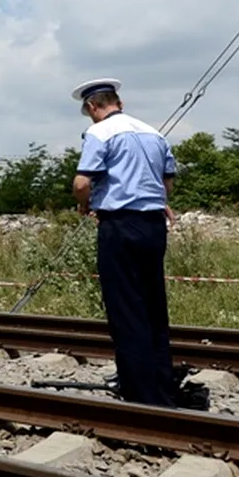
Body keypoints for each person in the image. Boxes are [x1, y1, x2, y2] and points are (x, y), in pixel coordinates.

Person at [70, 78, 178, 407]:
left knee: (125, 308)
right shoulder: (154, 133)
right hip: (153, 225)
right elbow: (168, 181)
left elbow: (81, 182)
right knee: (153, 307)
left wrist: (85, 204)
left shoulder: (99, 133)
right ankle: (163, 385)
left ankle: (140, 394)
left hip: (119, 224)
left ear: (92, 107)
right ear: (119, 101)